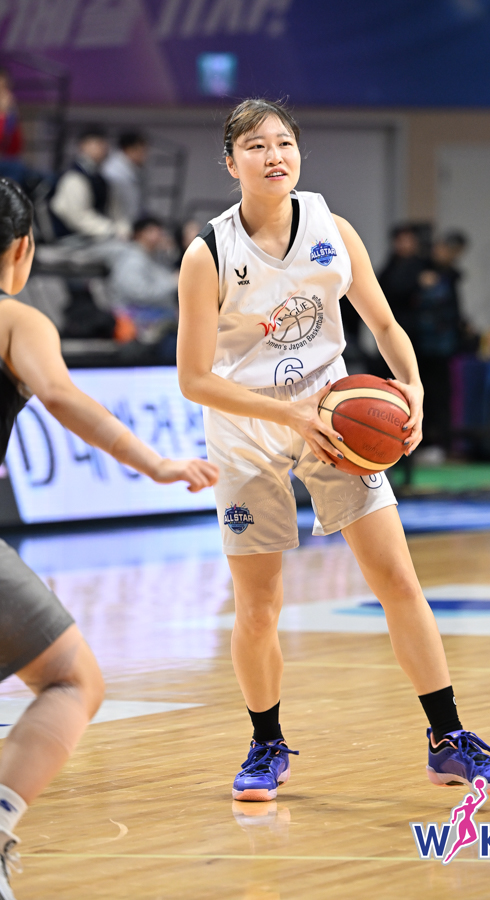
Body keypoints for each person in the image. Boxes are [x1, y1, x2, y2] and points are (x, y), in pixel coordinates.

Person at [177, 98, 490, 804]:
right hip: (248, 430)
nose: (274, 155)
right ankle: (266, 743)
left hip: (333, 420)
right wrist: (286, 414)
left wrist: (412, 387)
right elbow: (194, 379)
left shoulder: (332, 229)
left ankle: (447, 738)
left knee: (398, 579)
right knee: (259, 606)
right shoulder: (208, 254)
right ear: (231, 163)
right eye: (255, 146)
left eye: (284, 142)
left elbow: (385, 325)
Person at [0, 177, 218, 900]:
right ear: (23, 250)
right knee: (73, 681)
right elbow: (62, 396)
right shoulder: (17, 320)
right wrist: (155, 462)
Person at [416, 230, 470, 453]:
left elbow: (453, 310)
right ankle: (424, 443)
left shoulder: (450, 276)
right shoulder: (418, 271)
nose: (449, 255)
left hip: (443, 348)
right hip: (422, 347)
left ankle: (442, 444)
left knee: (442, 396)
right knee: (425, 395)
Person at [50, 125, 129, 241]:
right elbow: (78, 217)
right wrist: (111, 230)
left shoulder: (100, 179)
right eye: (97, 143)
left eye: (104, 143)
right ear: (83, 146)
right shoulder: (73, 177)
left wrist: (123, 229)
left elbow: (116, 212)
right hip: (73, 239)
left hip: (97, 237)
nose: (103, 148)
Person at [110, 215, 178, 341]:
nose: (158, 236)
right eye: (152, 231)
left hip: (157, 318)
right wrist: (172, 283)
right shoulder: (131, 259)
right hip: (136, 322)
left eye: (159, 231)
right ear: (139, 234)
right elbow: (138, 293)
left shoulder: (153, 257)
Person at [102, 131, 148, 229]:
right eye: (142, 151)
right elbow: (114, 206)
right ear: (130, 149)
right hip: (115, 225)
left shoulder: (131, 169)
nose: (145, 156)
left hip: (127, 223)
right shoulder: (113, 171)